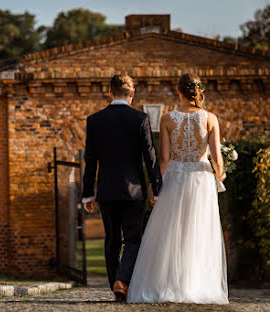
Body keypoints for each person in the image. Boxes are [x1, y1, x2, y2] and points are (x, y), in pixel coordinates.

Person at [127, 73, 229, 304]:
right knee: (199, 231)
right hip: (201, 180)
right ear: (198, 90)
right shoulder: (210, 118)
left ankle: (169, 283)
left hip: (175, 178)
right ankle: (196, 284)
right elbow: (216, 157)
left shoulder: (167, 119)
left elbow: (163, 159)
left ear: (179, 91)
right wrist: (220, 174)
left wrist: (156, 185)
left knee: (171, 231)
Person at [82, 73, 162, 301]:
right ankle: (123, 280)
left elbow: (91, 160)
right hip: (134, 192)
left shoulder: (95, 120)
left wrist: (88, 194)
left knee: (111, 240)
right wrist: (156, 188)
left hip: (107, 192)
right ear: (132, 94)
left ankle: (115, 284)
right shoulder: (140, 119)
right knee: (133, 239)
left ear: (110, 92)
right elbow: (151, 158)